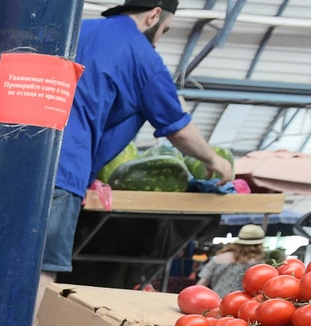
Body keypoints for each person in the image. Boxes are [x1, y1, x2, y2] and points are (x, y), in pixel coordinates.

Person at [40, 0, 235, 296]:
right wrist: (214, 160)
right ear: (154, 15)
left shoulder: (76, 30)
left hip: (15, 156)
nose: (160, 38)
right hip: (64, 171)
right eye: (164, 31)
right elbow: (178, 129)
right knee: (42, 270)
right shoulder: (144, 58)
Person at [197, 224, 267, 296]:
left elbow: (201, 284)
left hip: (216, 302)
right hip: (240, 303)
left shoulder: (218, 258)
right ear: (259, 245)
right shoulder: (257, 263)